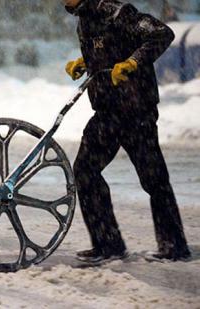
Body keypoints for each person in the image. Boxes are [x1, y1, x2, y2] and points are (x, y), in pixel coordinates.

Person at [63, 0, 191, 263]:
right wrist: (87, 62)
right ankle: (108, 244)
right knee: (85, 172)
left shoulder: (117, 12)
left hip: (136, 111)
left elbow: (162, 33)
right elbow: (110, 49)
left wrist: (133, 63)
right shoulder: (85, 19)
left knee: (153, 179)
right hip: (107, 112)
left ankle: (174, 246)